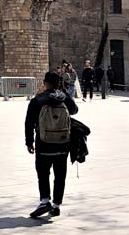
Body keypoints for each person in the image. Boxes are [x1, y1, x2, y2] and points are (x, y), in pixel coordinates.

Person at [25, 71, 78, 219]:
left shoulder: (39, 100)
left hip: (44, 143)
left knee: (43, 173)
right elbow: (74, 110)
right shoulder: (64, 98)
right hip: (63, 143)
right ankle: (56, 205)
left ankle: (44, 201)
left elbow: (29, 122)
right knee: (60, 175)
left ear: (45, 83)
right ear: (59, 83)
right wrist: (65, 93)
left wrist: (29, 142)